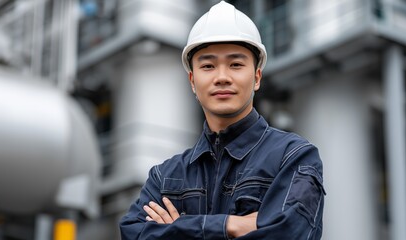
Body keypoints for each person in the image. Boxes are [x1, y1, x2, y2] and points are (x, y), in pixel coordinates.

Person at [119, 1, 325, 239]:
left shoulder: (293, 157)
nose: (222, 77)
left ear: (257, 77)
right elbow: (132, 233)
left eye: (236, 64)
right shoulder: (165, 177)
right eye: (208, 66)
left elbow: (287, 233)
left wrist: (178, 228)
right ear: (192, 81)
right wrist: (232, 225)